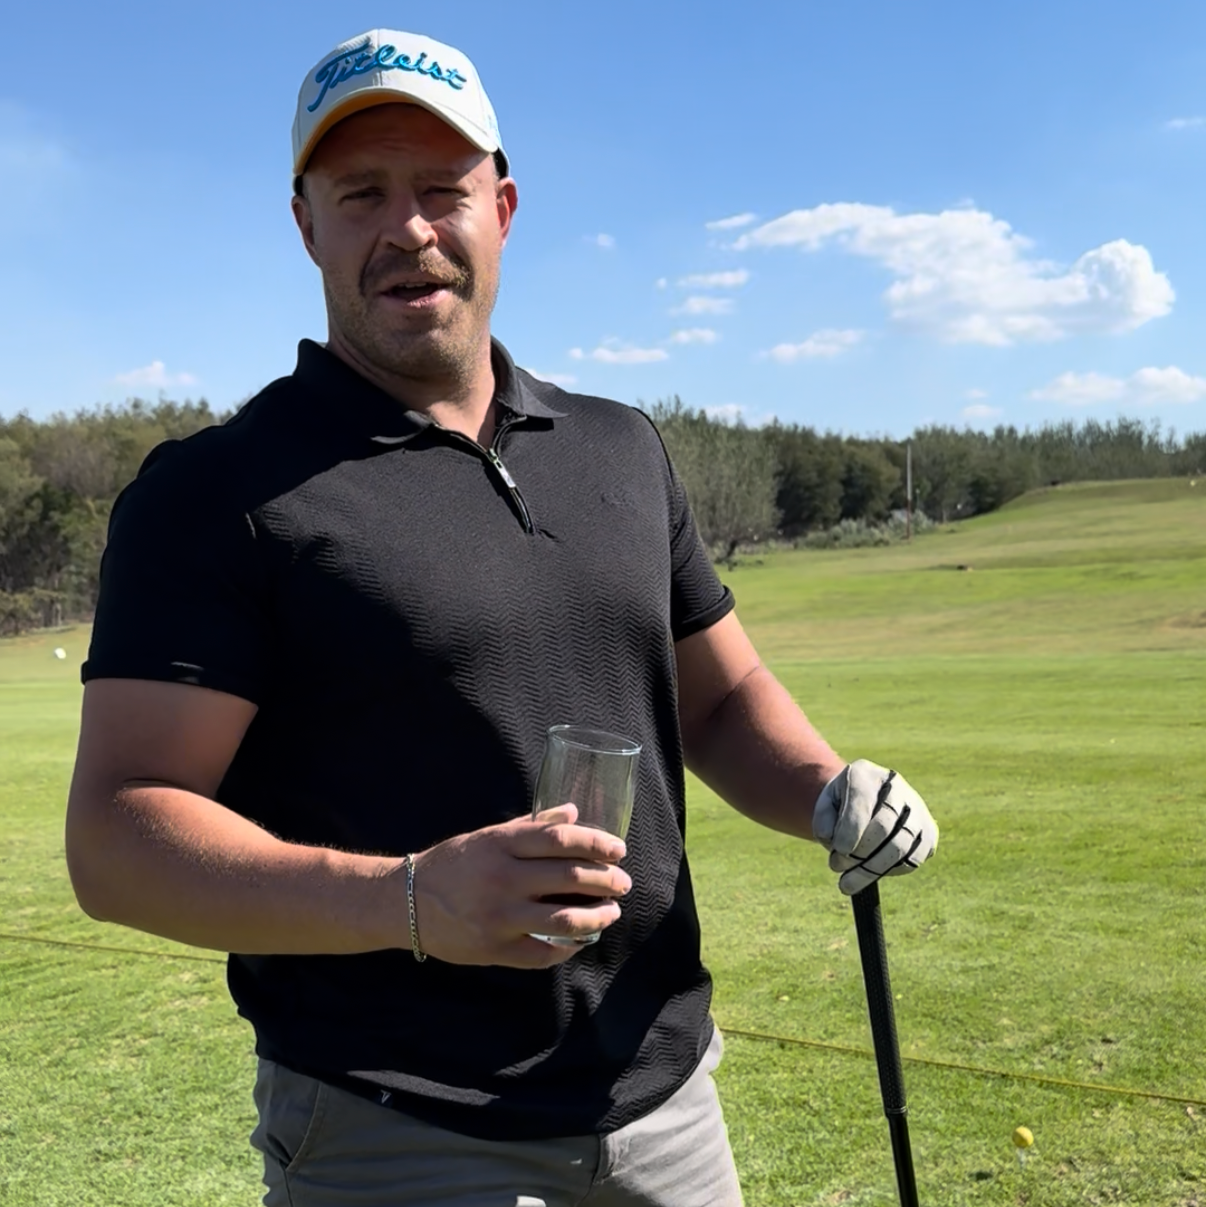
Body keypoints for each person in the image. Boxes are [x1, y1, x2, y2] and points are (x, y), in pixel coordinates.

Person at [64, 27, 938, 1207]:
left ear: (505, 207)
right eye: (362, 192)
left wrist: (830, 791)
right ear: (304, 223)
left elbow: (719, 697)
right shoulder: (214, 490)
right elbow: (119, 838)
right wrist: (412, 899)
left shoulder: (620, 447)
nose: (408, 228)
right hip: (397, 1134)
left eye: (443, 189)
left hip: (666, 1105)